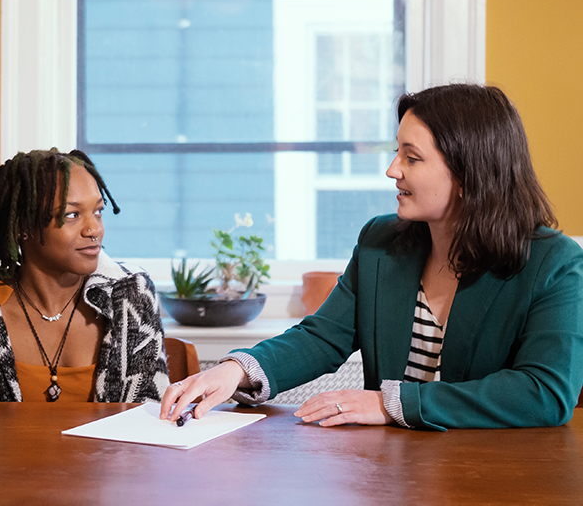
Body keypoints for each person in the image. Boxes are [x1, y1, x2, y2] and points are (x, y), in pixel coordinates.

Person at [162, 83, 583, 432]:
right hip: (390, 480)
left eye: (411, 157)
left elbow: (544, 392)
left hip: (498, 480)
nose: (392, 170)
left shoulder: (555, 264)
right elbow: (322, 338)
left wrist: (389, 404)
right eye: (397, 152)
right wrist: (236, 370)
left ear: (470, 172)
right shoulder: (380, 241)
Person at [0, 148, 169, 402]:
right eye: (72, 215)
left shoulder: (131, 297)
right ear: (22, 227)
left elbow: (146, 419)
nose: (94, 228)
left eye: (98, 211)